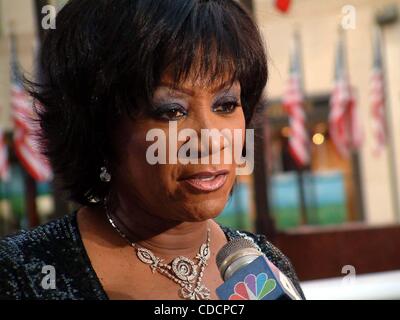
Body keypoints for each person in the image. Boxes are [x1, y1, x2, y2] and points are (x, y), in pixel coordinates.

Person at [0, 0, 305, 300]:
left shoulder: (264, 264)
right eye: (171, 111)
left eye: (225, 105)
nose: (212, 140)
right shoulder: (22, 273)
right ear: (99, 130)